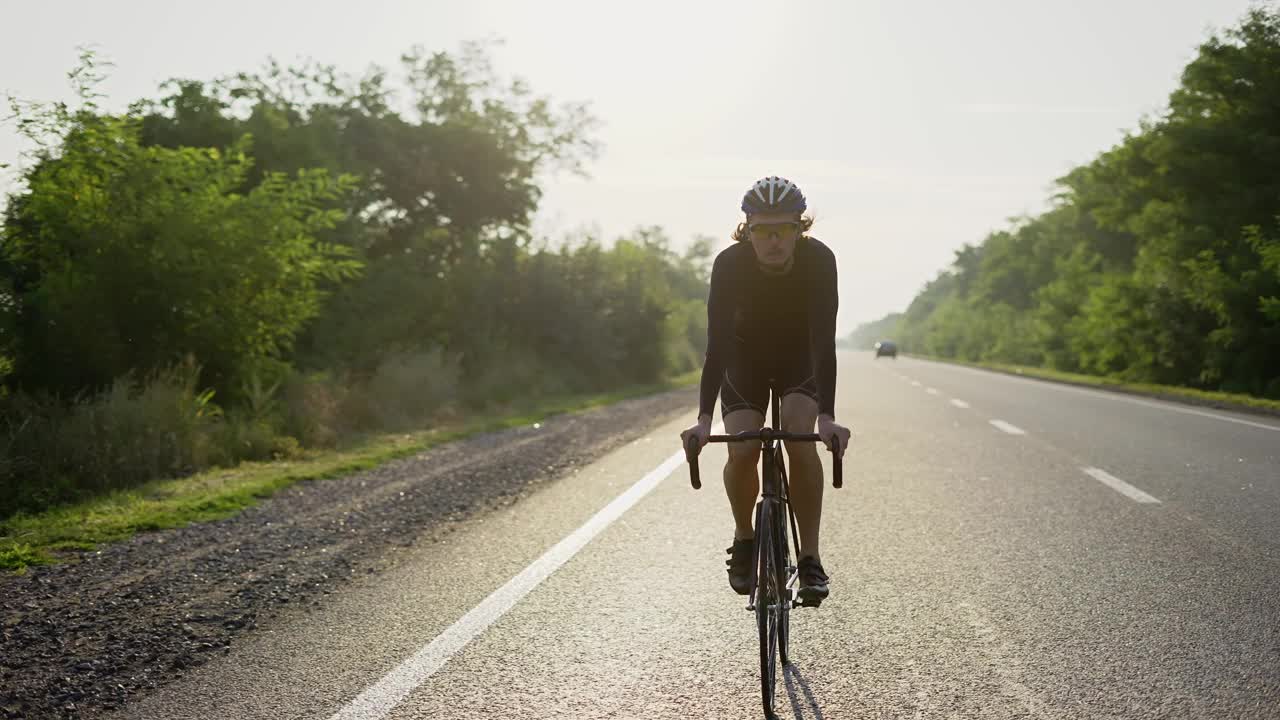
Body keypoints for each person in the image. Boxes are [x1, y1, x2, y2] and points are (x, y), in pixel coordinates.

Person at [680, 175, 850, 606]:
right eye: (762, 230)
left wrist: (827, 417)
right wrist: (702, 420)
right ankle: (744, 537)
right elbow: (716, 346)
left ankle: (809, 556)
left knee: (799, 435)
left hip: (798, 358)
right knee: (741, 447)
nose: (773, 240)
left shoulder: (818, 261)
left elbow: (822, 343)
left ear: (799, 227)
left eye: (784, 229)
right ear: (748, 229)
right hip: (744, 359)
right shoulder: (729, 264)